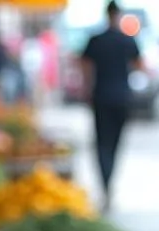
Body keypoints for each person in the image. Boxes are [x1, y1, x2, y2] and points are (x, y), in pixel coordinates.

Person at [82, 1, 142, 208]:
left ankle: (106, 183)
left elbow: (85, 67)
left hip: (101, 97)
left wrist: (88, 88)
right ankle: (108, 182)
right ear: (118, 15)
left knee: (102, 143)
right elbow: (139, 65)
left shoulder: (96, 40)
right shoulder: (127, 40)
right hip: (121, 97)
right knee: (115, 143)